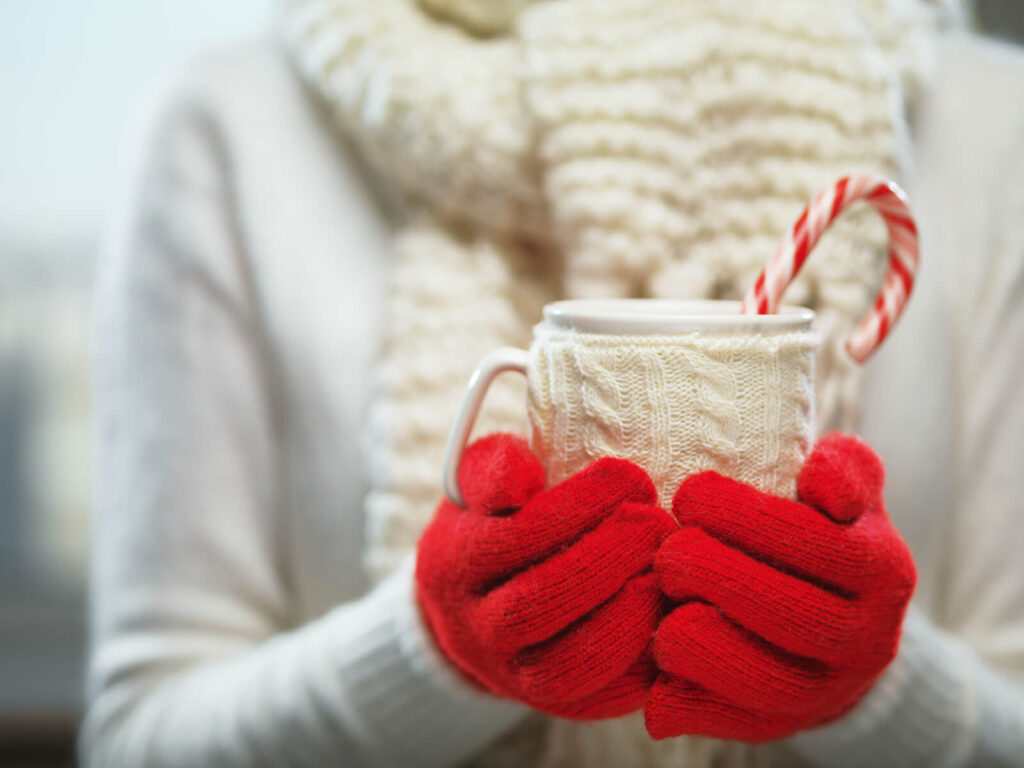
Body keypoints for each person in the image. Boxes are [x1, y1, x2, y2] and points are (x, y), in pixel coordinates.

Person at [82, 1, 1024, 766]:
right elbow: (138, 737)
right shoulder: (231, 124)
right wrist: (431, 651)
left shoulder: (989, 123)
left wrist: (876, 683)